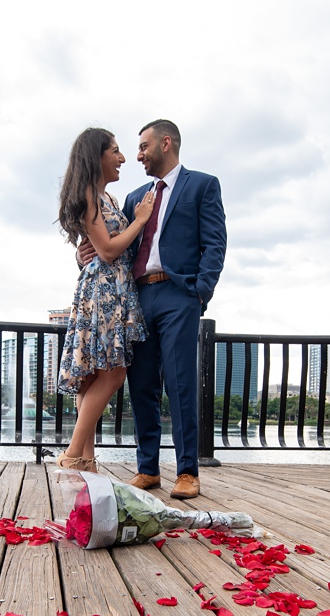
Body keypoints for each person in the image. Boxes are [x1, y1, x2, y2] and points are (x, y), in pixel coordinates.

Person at [80, 119, 226, 499]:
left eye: (144, 147)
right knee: (140, 384)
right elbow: (116, 247)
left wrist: (200, 292)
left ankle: (187, 472)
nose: (138, 155)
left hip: (180, 295)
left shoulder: (202, 185)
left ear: (166, 143)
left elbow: (215, 243)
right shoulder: (133, 198)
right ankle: (147, 470)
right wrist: (86, 257)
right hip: (138, 296)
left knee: (180, 383)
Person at [53, 128, 156, 472]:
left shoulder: (107, 197)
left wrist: (92, 252)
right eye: (115, 150)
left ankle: (86, 458)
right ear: (96, 156)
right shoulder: (88, 194)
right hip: (104, 291)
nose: (123, 158)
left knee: (94, 376)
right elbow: (109, 250)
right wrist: (140, 220)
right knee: (112, 373)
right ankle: (72, 454)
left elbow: (99, 248)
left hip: (113, 289)